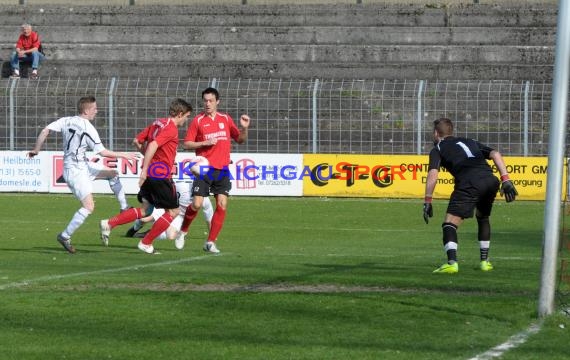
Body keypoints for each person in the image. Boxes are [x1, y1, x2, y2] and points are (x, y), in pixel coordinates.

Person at [27, 96, 136, 253]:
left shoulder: (66, 120)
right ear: (86, 110)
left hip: (82, 166)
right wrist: (124, 155)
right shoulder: (88, 128)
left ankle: (124, 208)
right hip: (75, 171)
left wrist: (36, 150)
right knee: (89, 206)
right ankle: (65, 236)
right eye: (94, 109)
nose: (96, 111)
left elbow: (45, 130)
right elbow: (103, 152)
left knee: (113, 173)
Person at [423, 117, 518, 274]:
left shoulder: (437, 149)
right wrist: (505, 179)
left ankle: (452, 263)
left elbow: (433, 174)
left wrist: (427, 199)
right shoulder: (470, 141)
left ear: (435, 133)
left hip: (469, 183)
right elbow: (495, 153)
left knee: (449, 224)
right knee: (483, 217)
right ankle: (484, 262)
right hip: (490, 180)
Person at [99, 98, 193, 254]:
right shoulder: (171, 128)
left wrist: (146, 165)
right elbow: (154, 145)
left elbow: (137, 141)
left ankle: (109, 223)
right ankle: (146, 242)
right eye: (186, 116)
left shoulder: (158, 123)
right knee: (174, 212)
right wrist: (145, 170)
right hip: (160, 174)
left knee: (146, 210)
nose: (186, 120)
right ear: (180, 113)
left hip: (151, 172)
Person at [178, 87, 250, 254]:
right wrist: (204, 143)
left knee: (222, 205)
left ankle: (210, 242)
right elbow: (187, 144)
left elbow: (240, 140)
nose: (207, 104)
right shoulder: (198, 121)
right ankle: (183, 231)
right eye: (205, 101)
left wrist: (244, 128)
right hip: (204, 170)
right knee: (196, 204)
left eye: (210, 101)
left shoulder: (225, 119)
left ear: (217, 101)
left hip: (223, 169)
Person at [125, 124, 214, 249]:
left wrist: (212, 238)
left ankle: (145, 234)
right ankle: (137, 226)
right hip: (168, 206)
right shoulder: (182, 186)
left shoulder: (203, 200)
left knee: (171, 235)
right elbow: (165, 193)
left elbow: (209, 218)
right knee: (147, 217)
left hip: (179, 215)